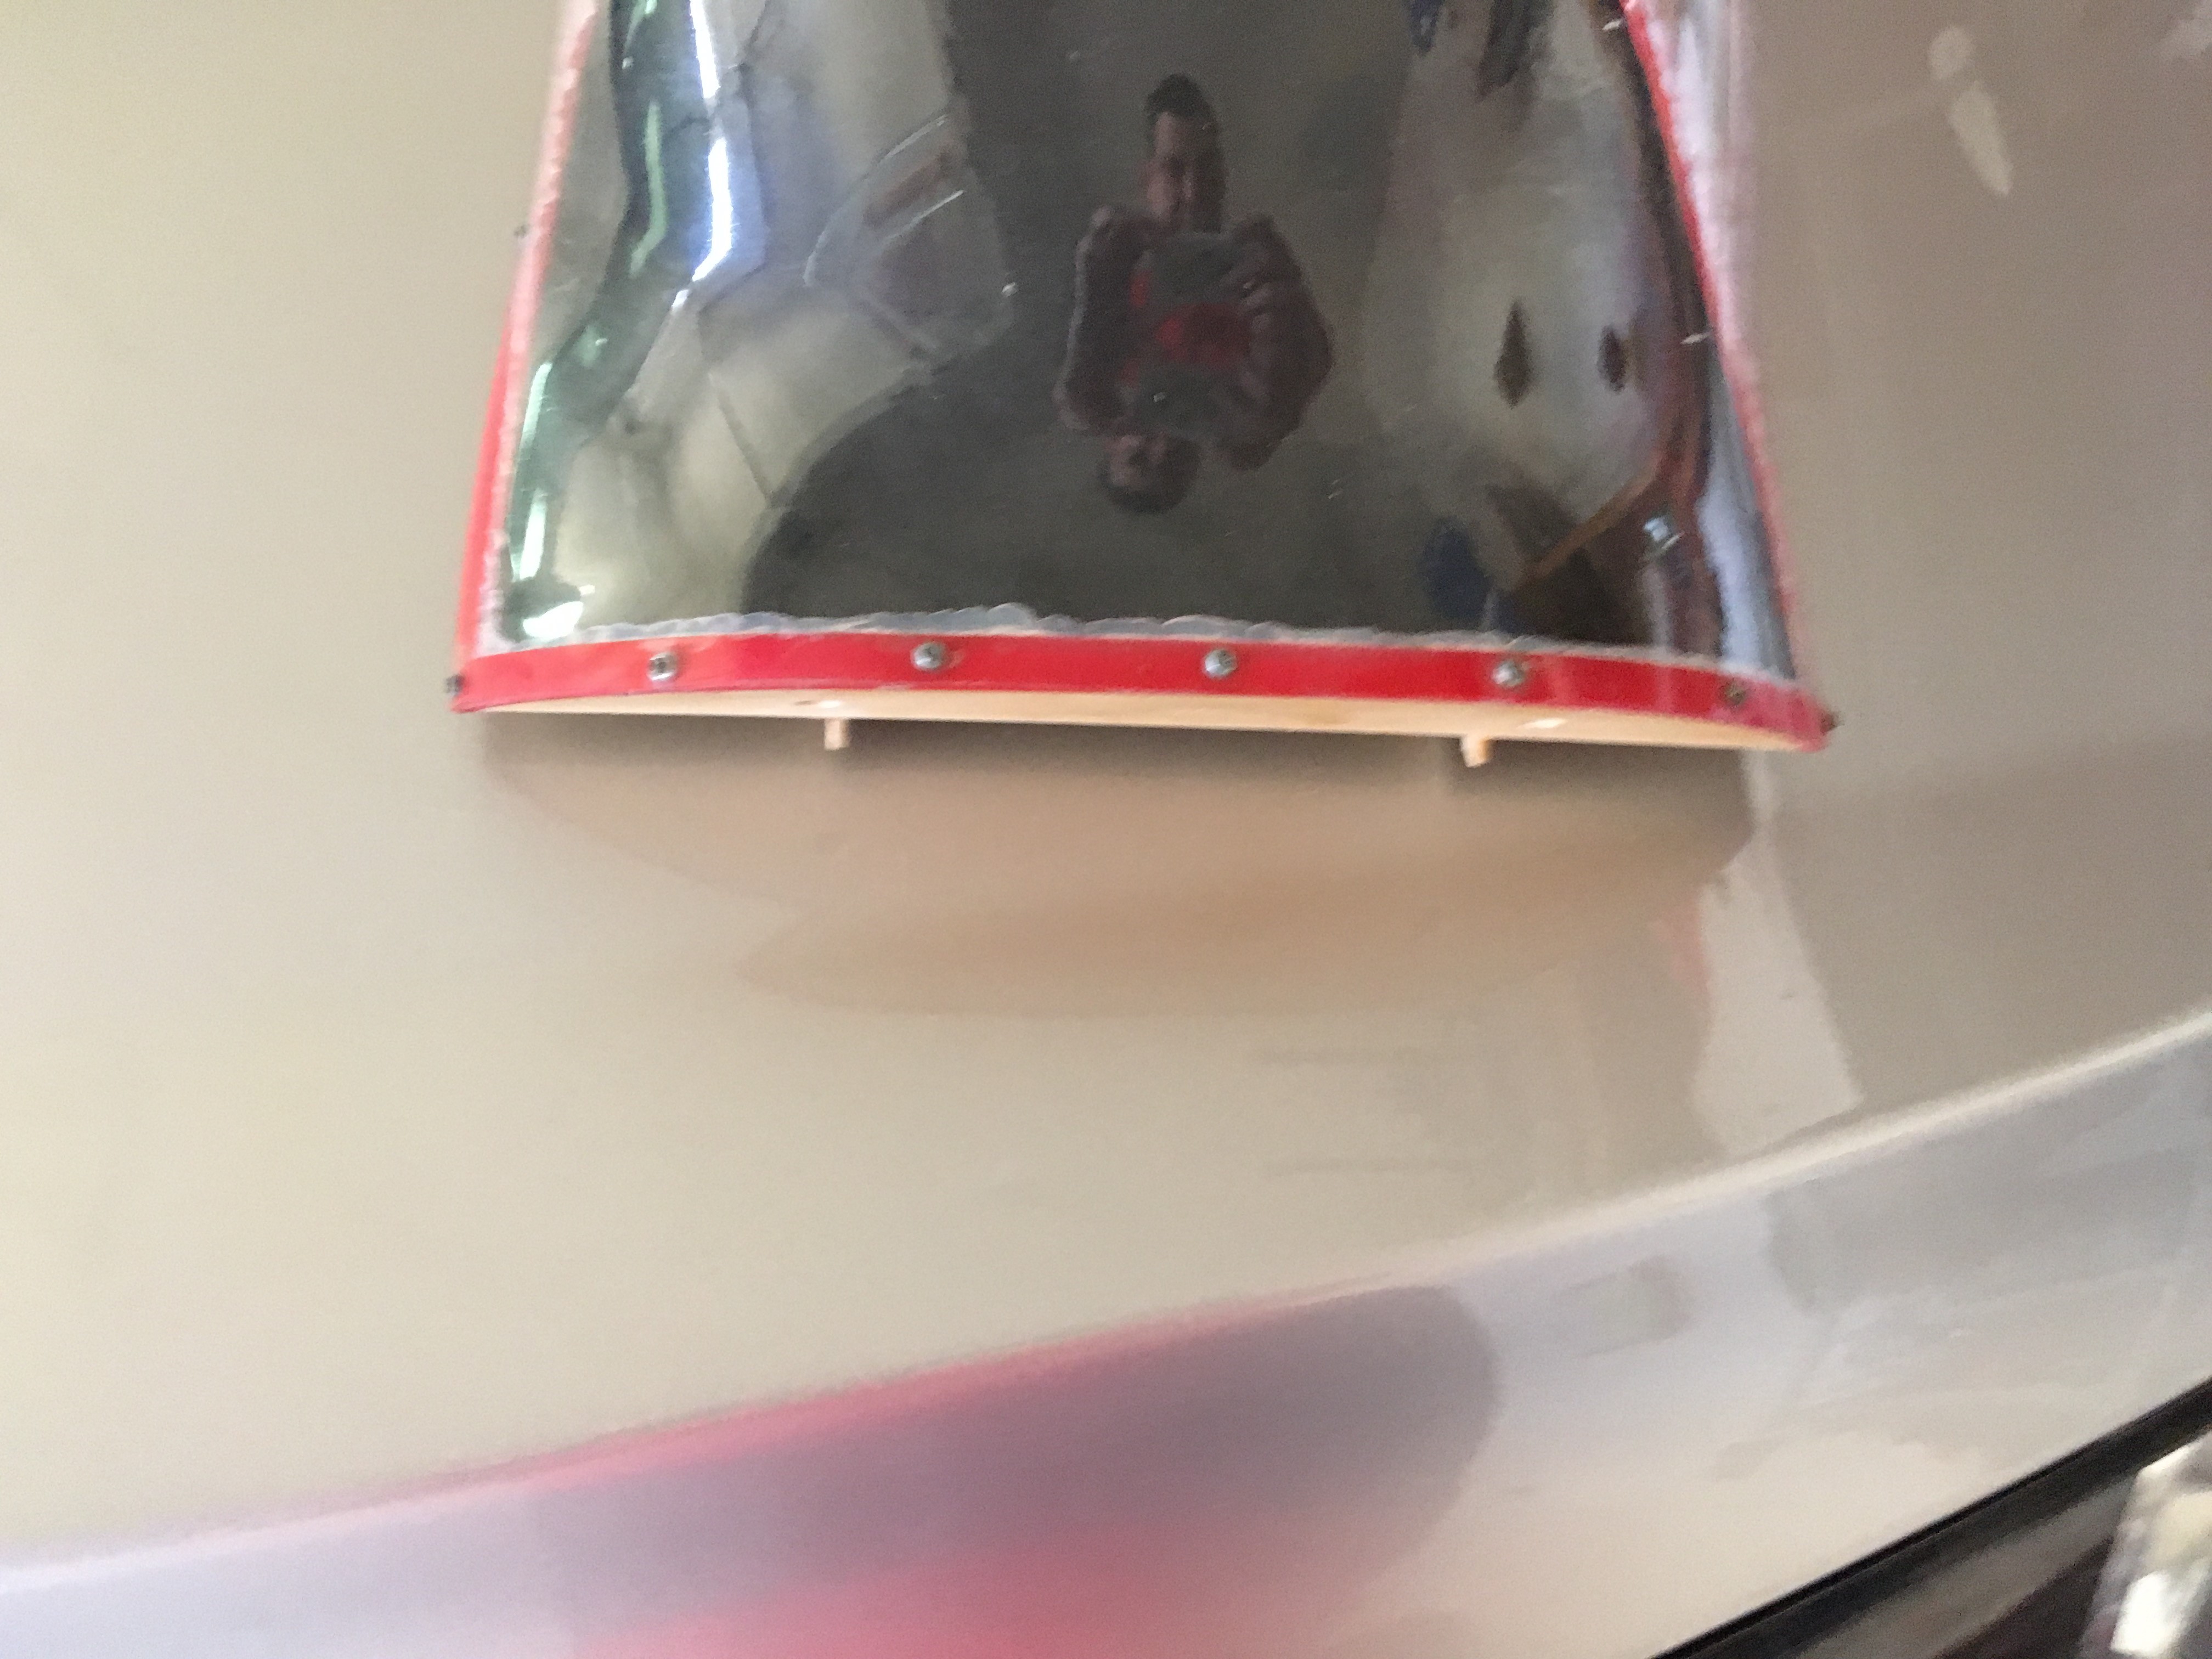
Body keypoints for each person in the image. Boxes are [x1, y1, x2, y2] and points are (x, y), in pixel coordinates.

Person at [1055, 75, 1333, 512]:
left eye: (1205, 168)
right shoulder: (1251, 406)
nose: (1193, 190)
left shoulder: (1111, 293)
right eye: (1174, 466)